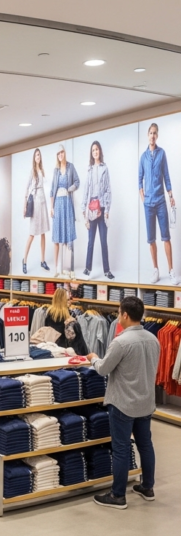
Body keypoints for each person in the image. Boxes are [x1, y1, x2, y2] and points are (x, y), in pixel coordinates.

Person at [87, 296, 158, 509]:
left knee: (121, 448)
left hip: (123, 404)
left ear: (125, 315)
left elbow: (103, 369)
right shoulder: (153, 339)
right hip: (145, 402)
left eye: (119, 313)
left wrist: (93, 358)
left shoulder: (121, 342)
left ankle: (118, 495)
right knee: (145, 445)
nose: (118, 316)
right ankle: (148, 487)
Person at [140, 123, 177, 285]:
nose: (153, 136)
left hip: (161, 201)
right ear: (147, 135)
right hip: (148, 204)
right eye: (150, 133)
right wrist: (143, 197)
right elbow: (139, 179)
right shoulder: (143, 157)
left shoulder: (162, 154)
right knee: (151, 239)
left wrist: (170, 195)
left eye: (155, 133)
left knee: (166, 237)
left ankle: (171, 271)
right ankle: (155, 270)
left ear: (157, 136)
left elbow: (166, 176)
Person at [80, 141, 115, 280]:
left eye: (97, 149)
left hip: (102, 208)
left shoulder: (104, 168)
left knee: (103, 241)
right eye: (93, 150)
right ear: (92, 153)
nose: (95, 152)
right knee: (90, 242)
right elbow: (86, 190)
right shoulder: (89, 169)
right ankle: (87, 269)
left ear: (100, 151)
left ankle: (107, 270)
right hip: (91, 209)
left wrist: (106, 209)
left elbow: (108, 190)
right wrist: (84, 210)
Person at [50, 144, 80, 279]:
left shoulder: (70, 167)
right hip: (57, 204)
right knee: (56, 237)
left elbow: (77, 182)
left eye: (62, 152)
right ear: (57, 156)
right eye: (58, 153)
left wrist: (69, 189)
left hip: (67, 203)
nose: (60, 155)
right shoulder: (55, 170)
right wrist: (51, 207)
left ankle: (68, 269)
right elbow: (52, 190)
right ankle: (56, 268)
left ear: (64, 153)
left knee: (68, 235)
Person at [22, 148, 51, 274]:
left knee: (43, 233)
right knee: (32, 234)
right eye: (36, 155)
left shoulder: (42, 170)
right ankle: (24, 261)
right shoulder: (32, 171)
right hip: (35, 203)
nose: (38, 156)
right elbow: (27, 188)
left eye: (39, 155)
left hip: (42, 201)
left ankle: (42, 260)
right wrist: (24, 206)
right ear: (34, 158)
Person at [44, 288, 88, 355]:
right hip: (67, 353)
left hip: (52, 351)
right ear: (62, 301)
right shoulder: (69, 319)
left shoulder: (49, 315)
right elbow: (78, 342)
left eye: (70, 299)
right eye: (67, 300)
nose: (70, 302)